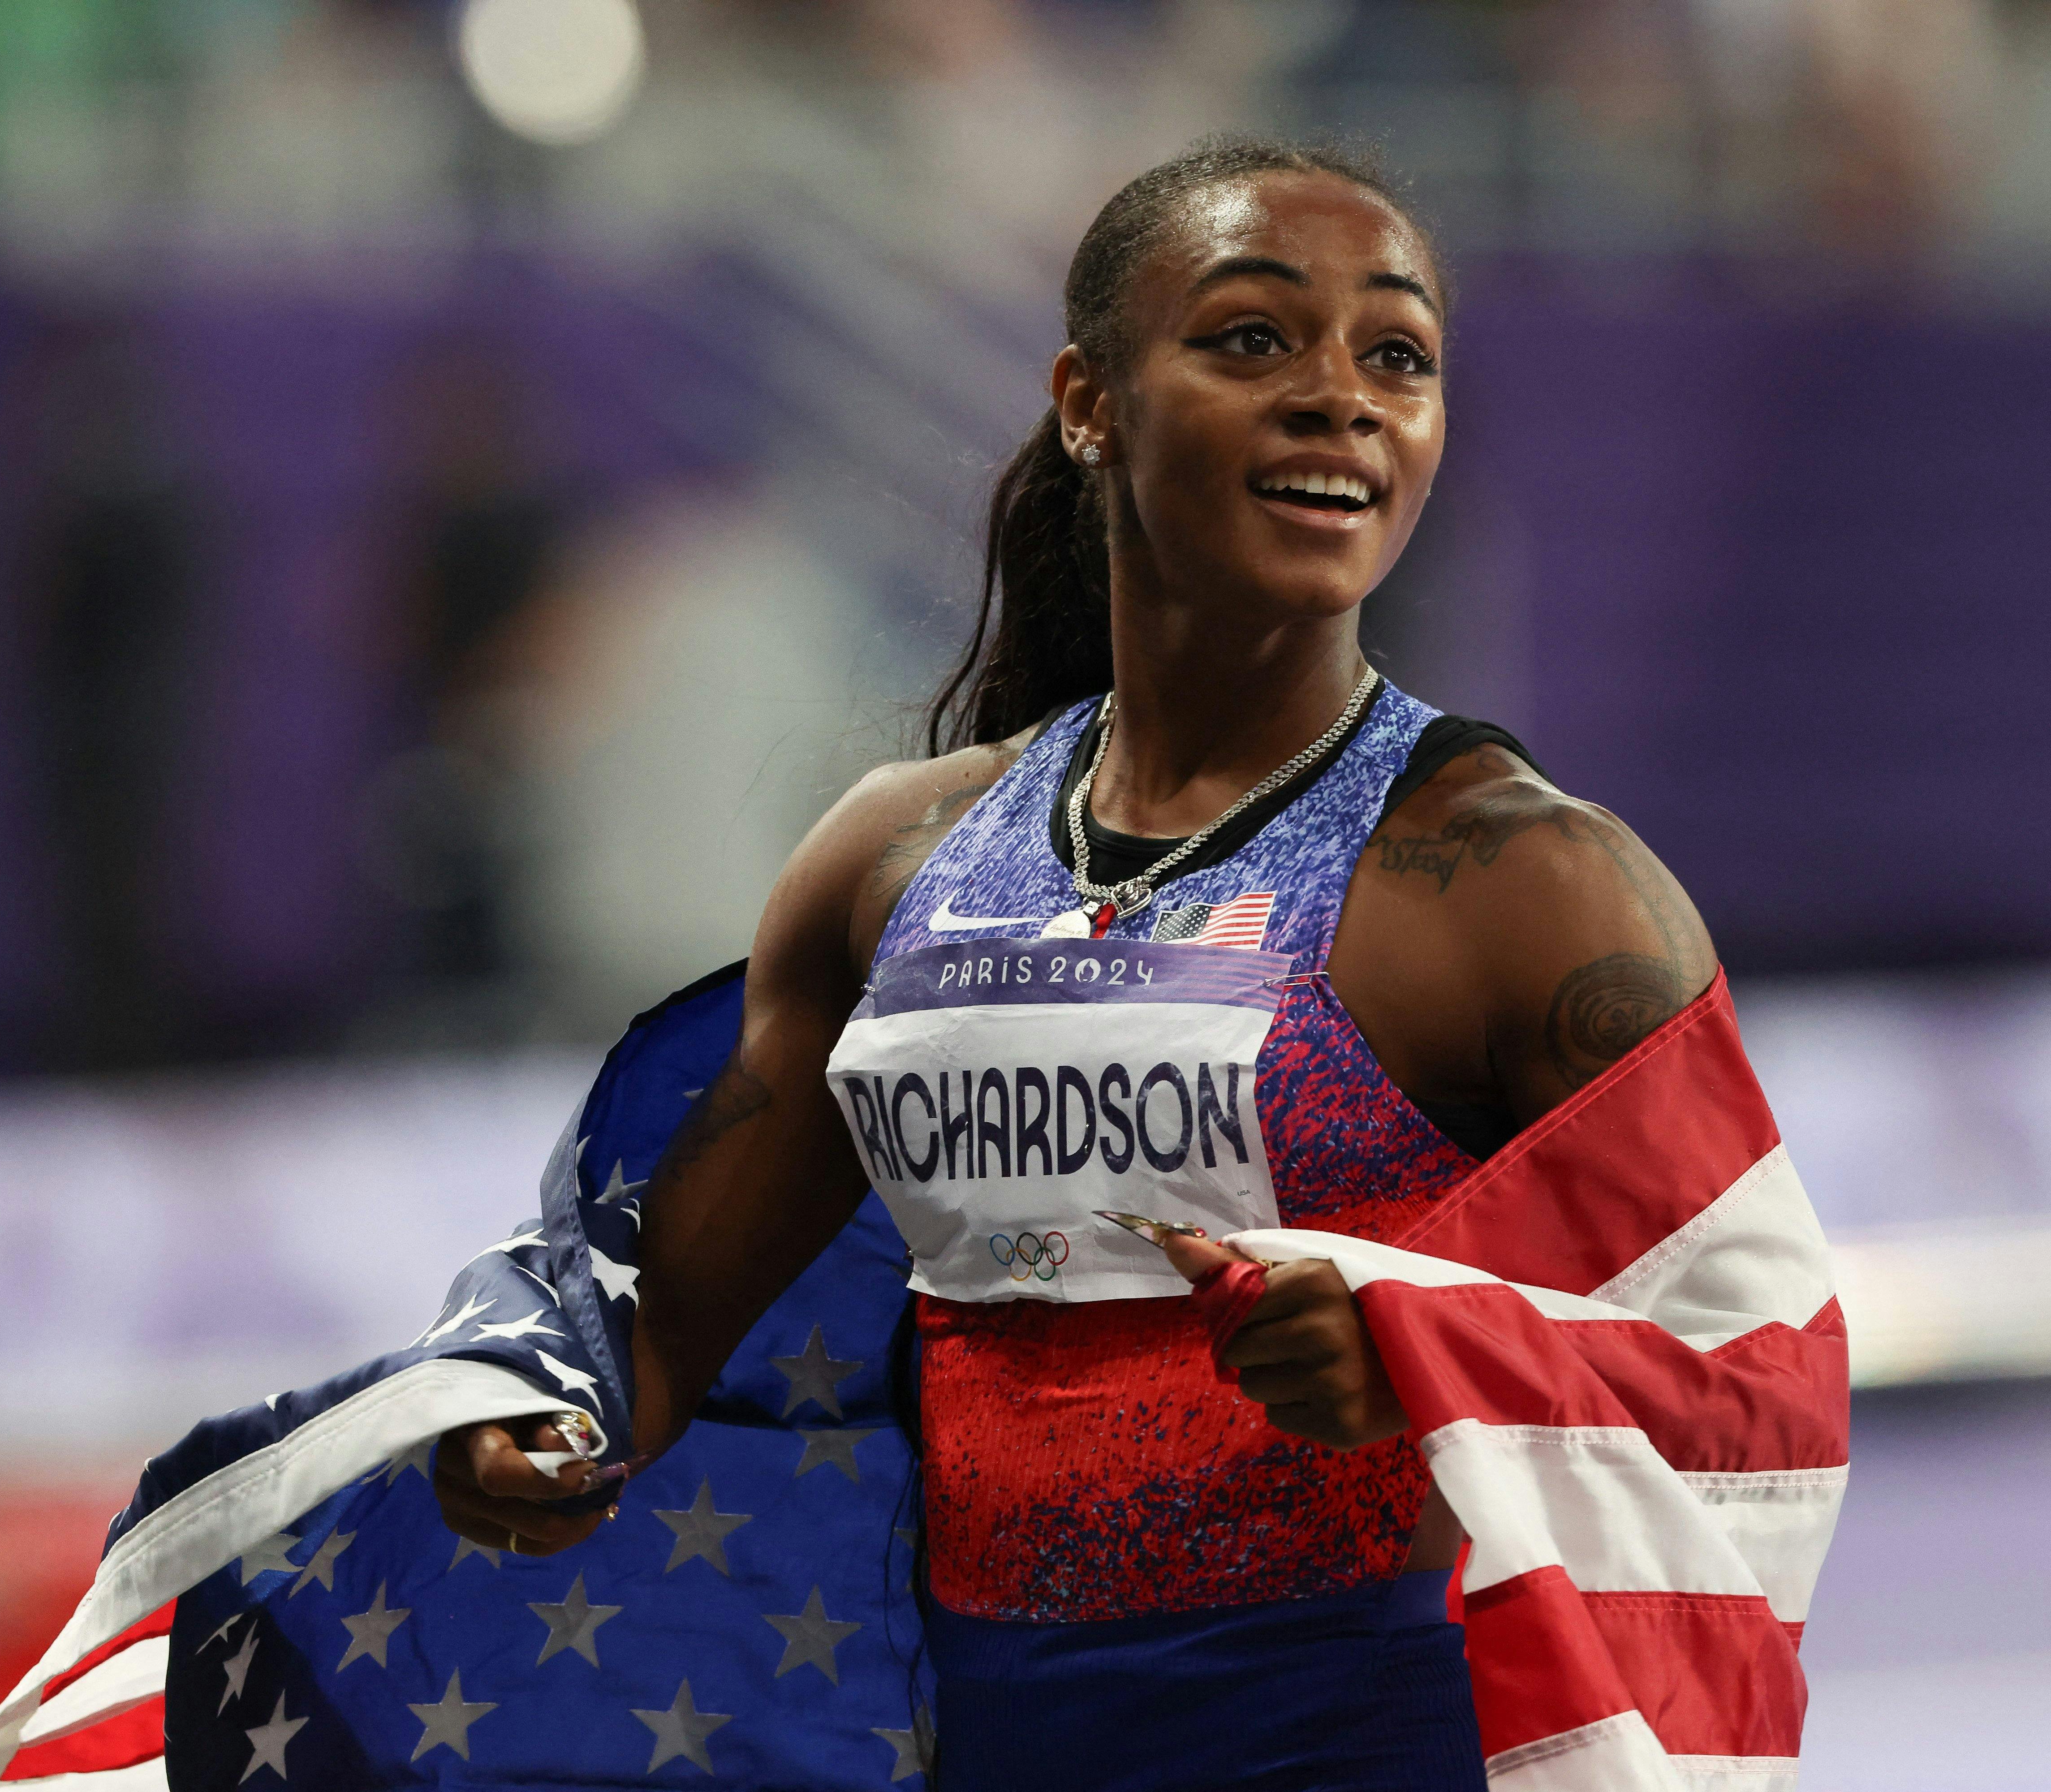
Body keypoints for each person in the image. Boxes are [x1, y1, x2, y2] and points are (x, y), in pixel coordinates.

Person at [430, 137, 1737, 1788]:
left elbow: (1745, 1366)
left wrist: (1437, 1348)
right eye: (1254, 337)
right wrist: (553, 1419)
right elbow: (668, 1314)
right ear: (1089, 399)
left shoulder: (1527, 888)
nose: (1339, 394)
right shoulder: (894, 868)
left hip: (1387, 1734)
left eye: (1395, 354)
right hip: (996, 1735)